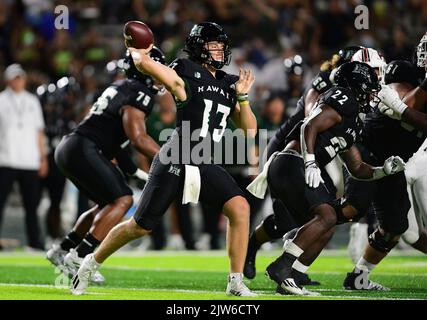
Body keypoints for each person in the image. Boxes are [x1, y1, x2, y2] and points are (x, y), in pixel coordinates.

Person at [71, 22, 258, 297]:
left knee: (240, 209)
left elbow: (249, 130)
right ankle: (90, 261)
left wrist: (242, 97)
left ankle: (235, 282)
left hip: (203, 161)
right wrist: (138, 50)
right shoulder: (186, 71)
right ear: (198, 47)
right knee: (140, 226)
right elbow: (149, 67)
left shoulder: (230, 83)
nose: (219, 50)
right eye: (213, 45)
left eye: (221, 45)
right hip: (176, 156)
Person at [249, 61, 405, 295]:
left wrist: (383, 170)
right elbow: (308, 127)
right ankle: (282, 266)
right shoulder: (344, 98)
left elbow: (357, 168)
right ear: (357, 86)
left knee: (328, 223)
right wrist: (311, 162)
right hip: (293, 162)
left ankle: (292, 276)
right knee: (328, 215)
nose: (371, 95)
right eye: (369, 89)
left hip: (294, 165)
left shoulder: (352, 120)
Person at [244, 46, 362, 285]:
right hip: (288, 150)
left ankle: (293, 270)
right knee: (303, 217)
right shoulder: (328, 81)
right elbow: (311, 114)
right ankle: (256, 246)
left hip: (309, 153)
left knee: (316, 216)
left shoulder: (347, 93)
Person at [46, 48, 165, 282]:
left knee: (106, 204)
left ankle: (62, 250)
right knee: (123, 200)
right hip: (84, 147)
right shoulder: (139, 91)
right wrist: (169, 157)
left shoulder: (122, 87)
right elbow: (138, 139)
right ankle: (79, 257)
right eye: (157, 67)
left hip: (72, 147)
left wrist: (136, 173)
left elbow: (118, 144)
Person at [0, 63, 48, 251]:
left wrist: (42, 158)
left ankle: (34, 242)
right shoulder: (1, 100)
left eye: (21, 77)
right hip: (5, 158)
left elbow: (39, 131)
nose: (18, 81)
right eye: (15, 77)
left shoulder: (32, 101)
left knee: (32, 205)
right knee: (0, 203)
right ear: (8, 80)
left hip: (29, 159)